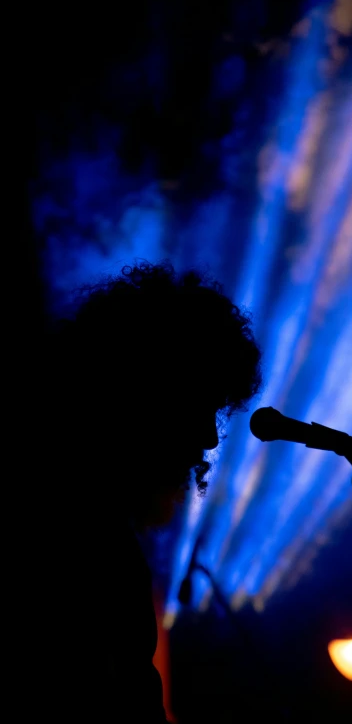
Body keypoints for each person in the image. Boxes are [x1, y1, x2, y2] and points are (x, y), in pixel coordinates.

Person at [31, 261, 262, 723]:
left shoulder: (97, 531)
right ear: (146, 397)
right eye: (200, 406)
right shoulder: (78, 537)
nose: (210, 438)